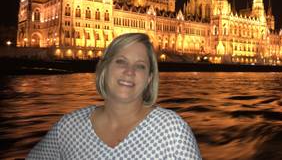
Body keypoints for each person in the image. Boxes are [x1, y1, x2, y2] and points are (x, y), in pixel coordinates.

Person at [27, 33, 202, 159]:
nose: (129, 71)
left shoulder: (172, 131)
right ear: (104, 68)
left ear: (149, 78)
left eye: (140, 66)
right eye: (121, 61)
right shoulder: (68, 128)